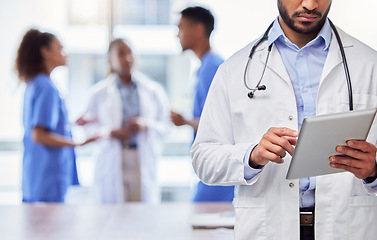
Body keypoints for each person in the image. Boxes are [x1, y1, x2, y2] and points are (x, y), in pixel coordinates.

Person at [191, 0, 377, 239]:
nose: (310, 4)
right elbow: (203, 159)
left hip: (348, 227)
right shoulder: (234, 70)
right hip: (268, 229)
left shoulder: (369, 64)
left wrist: (373, 169)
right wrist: (251, 155)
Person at [76, 38, 170, 204]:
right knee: (114, 217)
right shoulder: (98, 93)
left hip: (141, 156)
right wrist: (110, 132)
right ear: (110, 60)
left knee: (141, 215)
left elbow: (166, 126)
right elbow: (88, 128)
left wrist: (146, 125)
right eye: (121, 54)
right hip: (112, 157)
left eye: (130, 53)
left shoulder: (153, 90)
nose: (127, 58)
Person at [15, 29, 97, 203]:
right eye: (60, 48)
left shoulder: (34, 83)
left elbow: (43, 125)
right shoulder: (47, 87)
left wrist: (72, 124)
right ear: (45, 52)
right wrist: (79, 143)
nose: (64, 53)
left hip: (35, 177)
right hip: (47, 178)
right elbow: (39, 134)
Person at [171, 6, 234, 202]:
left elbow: (220, 124)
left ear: (198, 30)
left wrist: (185, 121)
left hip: (218, 166)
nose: (177, 35)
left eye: (181, 28)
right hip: (211, 166)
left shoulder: (213, 67)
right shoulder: (205, 66)